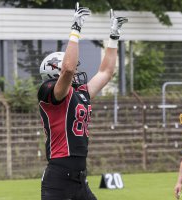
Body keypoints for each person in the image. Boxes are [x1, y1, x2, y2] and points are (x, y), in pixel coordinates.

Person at [37, 2, 128, 200]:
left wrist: (113, 37)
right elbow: (68, 68)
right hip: (59, 179)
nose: (77, 71)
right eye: (72, 69)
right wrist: (75, 30)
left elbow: (106, 72)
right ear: (56, 71)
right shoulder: (49, 92)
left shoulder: (79, 93)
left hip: (79, 178)